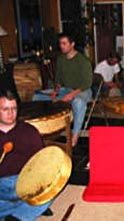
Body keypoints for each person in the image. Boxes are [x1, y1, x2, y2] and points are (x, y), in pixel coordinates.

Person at [0, 90, 52, 221]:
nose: (11, 113)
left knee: (51, 191)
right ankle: (26, 209)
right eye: (5, 109)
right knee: (40, 201)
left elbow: (42, 162)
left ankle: (16, 216)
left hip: (24, 182)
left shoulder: (29, 131)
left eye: (14, 108)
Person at [33, 33, 93, 147]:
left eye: (64, 43)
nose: (61, 46)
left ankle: (75, 135)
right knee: (37, 97)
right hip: (66, 89)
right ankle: (45, 130)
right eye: (60, 43)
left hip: (82, 90)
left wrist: (71, 95)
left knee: (78, 102)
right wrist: (56, 91)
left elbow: (87, 83)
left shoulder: (83, 60)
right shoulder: (60, 59)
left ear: (72, 44)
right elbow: (58, 79)